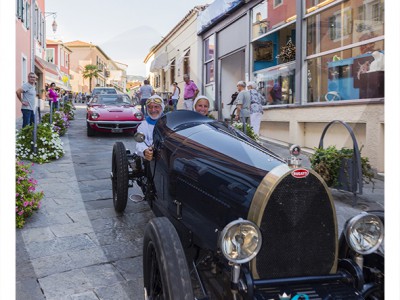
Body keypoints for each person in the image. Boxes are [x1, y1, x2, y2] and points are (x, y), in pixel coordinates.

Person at [135, 95, 164, 161]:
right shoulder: (143, 125)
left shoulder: (169, 122)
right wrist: (145, 151)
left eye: (156, 107)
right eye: (150, 107)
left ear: (162, 108)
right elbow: (140, 143)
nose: (153, 110)